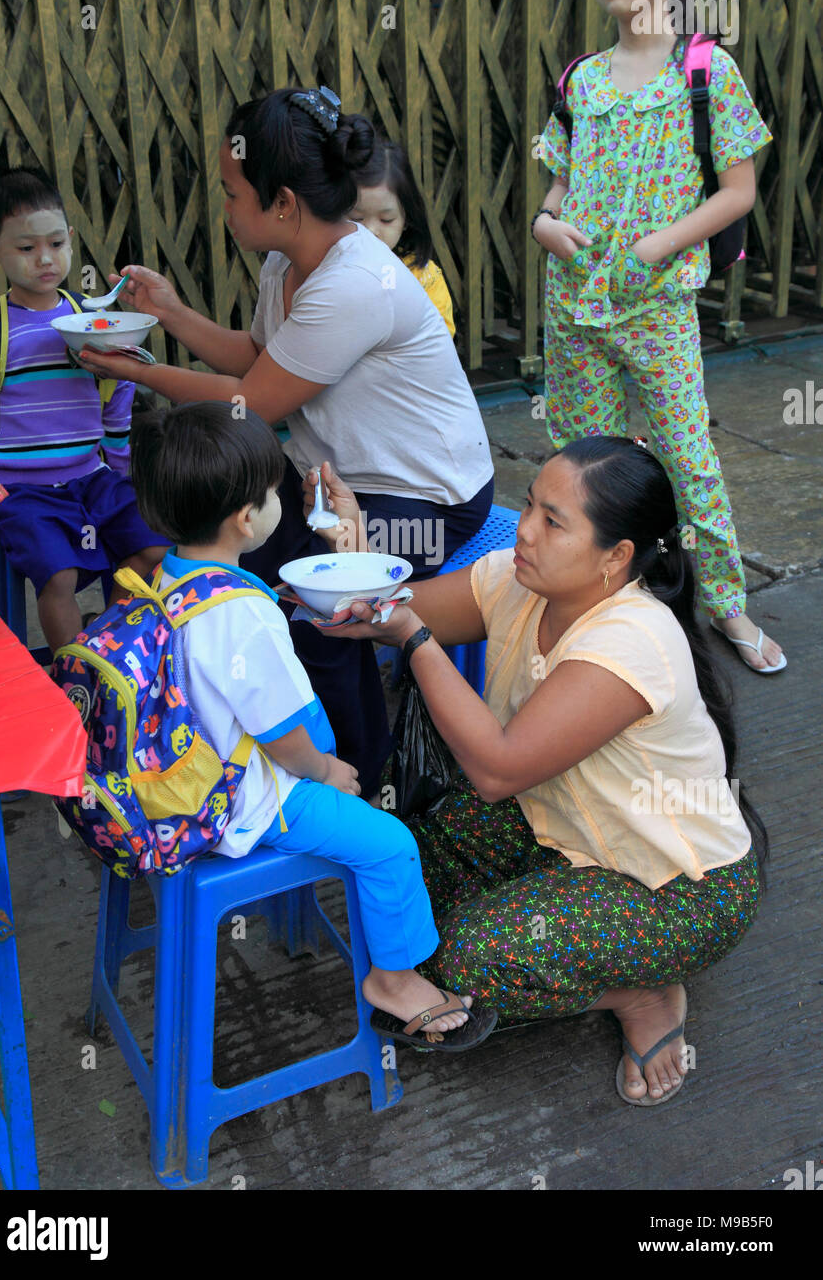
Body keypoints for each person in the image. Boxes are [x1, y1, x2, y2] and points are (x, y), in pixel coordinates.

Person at [306, 437, 766, 1105]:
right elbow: (384, 612)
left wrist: (414, 640)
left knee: (466, 961)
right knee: (402, 853)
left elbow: (495, 771)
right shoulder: (517, 580)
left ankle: (643, 993)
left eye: (554, 522)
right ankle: (573, 942)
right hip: (566, 836)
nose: (524, 529)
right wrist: (350, 566)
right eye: (529, 506)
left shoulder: (630, 640)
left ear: (616, 557)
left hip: (679, 888)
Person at [77, 87, 494, 795]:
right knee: (214, 560)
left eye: (233, 193)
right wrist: (169, 313)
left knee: (312, 598)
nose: (225, 208)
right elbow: (257, 357)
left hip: (424, 500)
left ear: (283, 203)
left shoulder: (354, 282)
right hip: (332, 482)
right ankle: (233, 744)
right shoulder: (288, 262)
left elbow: (252, 403)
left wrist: (141, 370)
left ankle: (365, 775)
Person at [129, 399, 497, 1052]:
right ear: (249, 518)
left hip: (180, 779)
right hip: (249, 797)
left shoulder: (166, 580)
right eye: (275, 491)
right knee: (389, 843)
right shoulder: (245, 615)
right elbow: (280, 734)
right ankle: (395, 979)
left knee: (366, 822)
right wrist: (325, 770)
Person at [532, 0, 784, 675]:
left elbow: (738, 190)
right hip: (573, 308)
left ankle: (727, 607)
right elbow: (553, 192)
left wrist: (658, 246)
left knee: (688, 457)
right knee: (586, 463)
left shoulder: (707, 71)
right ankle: (598, 605)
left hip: (659, 309)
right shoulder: (580, 80)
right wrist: (547, 225)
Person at [0, 167, 167, 651]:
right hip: (22, 490)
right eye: (26, 249)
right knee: (61, 575)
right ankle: (79, 680)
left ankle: (108, 645)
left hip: (92, 478)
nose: (45, 259)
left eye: (55, 243)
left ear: (70, 240)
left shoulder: (90, 318)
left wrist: (121, 470)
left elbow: (116, 398)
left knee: (155, 547)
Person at [348, 137, 456, 335]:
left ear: (406, 218)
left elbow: (441, 340)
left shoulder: (424, 277)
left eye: (386, 219)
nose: (370, 231)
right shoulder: (332, 269)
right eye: (357, 218)